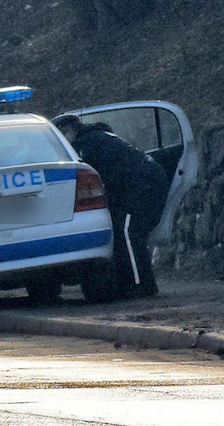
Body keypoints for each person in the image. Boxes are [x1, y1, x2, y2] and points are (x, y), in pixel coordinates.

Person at [53, 114, 170, 299]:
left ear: (69, 131)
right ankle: (136, 284)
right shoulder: (98, 136)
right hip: (145, 180)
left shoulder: (85, 145)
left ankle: (139, 286)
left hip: (142, 184)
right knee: (126, 231)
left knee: (127, 233)